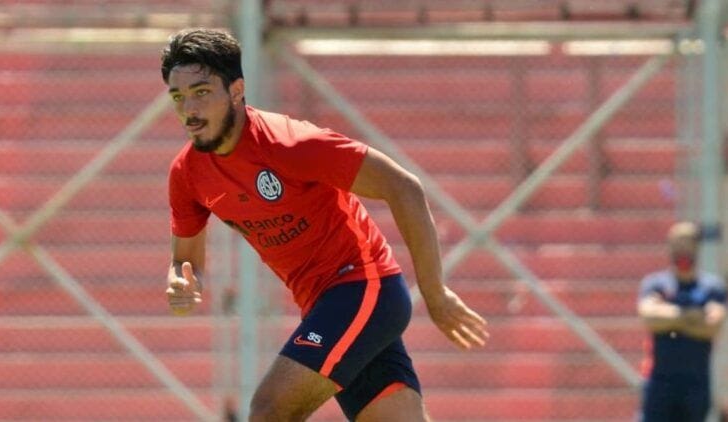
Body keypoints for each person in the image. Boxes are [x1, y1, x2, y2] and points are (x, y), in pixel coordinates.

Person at [161, 28, 489, 421]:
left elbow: (403, 187)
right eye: (178, 97)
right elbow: (186, 261)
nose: (189, 110)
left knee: (269, 411)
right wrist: (182, 283)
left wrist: (435, 294)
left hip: (363, 287)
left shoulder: (289, 144)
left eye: (201, 92)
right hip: (323, 307)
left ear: (236, 90)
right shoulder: (187, 173)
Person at [637, 221, 728, 422]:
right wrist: (690, 316)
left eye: (687, 243)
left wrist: (670, 318)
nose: (682, 249)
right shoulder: (656, 284)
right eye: (677, 243)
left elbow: (712, 326)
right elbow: (649, 316)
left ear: (696, 247)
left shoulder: (711, 287)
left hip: (695, 383)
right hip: (660, 382)